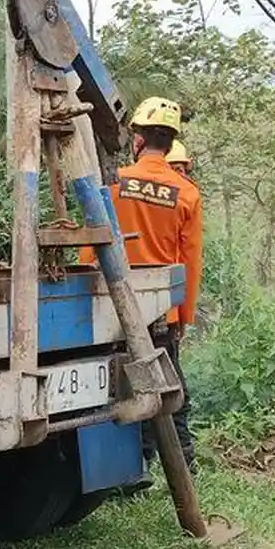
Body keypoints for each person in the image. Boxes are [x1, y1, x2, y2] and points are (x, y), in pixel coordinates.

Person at [80, 96, 203, 481]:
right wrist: (183, 314)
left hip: (113, 303)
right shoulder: (187, 193)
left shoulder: (116, 184)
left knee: (120, 386)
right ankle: (181, 463)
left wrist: (85, 289)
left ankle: (132, 468)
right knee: (169, 386)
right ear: (170, 144)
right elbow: (190, 261)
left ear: (137, 138)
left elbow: (92, 242)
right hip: (160, 309)